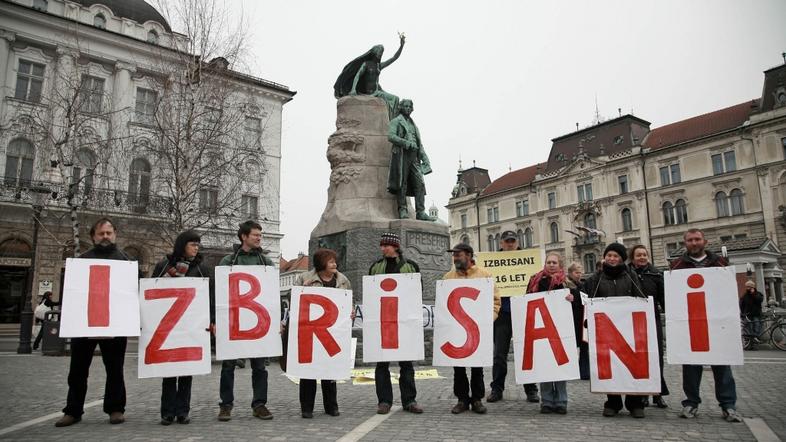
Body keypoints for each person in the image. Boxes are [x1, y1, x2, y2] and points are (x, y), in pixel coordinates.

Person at [56, 218, 134, 427]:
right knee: (78, 370)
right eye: (101, 233)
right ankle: (73, 410)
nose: (105, 237)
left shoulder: (125, 261)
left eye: (109, 233)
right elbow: (72, 293)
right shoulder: (81, 261)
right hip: (85, 323)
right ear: (93, 236)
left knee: (115, 369)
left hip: (114, 324)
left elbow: (130, 294)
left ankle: (115, 408)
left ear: (115, 234)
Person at [670, 228, 743, 422]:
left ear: (705, 241)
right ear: (685, 243)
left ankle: (728, 405)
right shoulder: (677, 266)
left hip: (716, 323)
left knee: (722, 366)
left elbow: (728, 294)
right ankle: (691, 403)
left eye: (697, 239)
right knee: (691, 367)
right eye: (690, 240)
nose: (694, 243)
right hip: (691, 323)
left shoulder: (720, 263)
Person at [151, 230, 213, 425]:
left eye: (198, 245)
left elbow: (210, 298)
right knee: (169, 371)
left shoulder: (203, 269)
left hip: (191, 327)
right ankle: (167, 412)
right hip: (168, 326)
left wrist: (211, 320)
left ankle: (183, 411)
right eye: (193, 244)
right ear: (182, 245)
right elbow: (150, 292)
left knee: (187, 370)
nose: (196, 248)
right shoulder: (163, 266)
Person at [216, 220, 275, 422]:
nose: (259, 238)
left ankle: (259, 404)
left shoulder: (266, 262)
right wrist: (217, 320)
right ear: (244, 237)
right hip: (234, 322)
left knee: (260, 367)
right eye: (255, 235)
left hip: (258, 323)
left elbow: (272, 294)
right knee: (228, 366)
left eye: (260, 235)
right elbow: (220, 293)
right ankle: (226, 405)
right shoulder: (229, 261)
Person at [584, 243, 647, 418]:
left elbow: (639, 298)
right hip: (606, 328)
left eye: (615, 256)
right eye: (609, 255)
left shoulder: (630, 275)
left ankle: (635, 403)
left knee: (632, 365)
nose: (612, 259)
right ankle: (613, 402)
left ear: (621, 258)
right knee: (610, 364)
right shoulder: (596, 278)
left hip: (628, 327)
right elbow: (587, 298)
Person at [368, 232, 424, 414]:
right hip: (383, 322)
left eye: (386, 245)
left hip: (404, 321)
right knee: (382, 364)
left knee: (406, 363)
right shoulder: (376, 267)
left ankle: (410, 400)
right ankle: (384, 401)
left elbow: (417, 292)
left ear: (395, 246)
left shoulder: (411, 267)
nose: (383, 248)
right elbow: (371, 294)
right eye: (382, 245)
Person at [293, 249, 351, 419]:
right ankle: (307, 407)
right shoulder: (305, 279)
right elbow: (294, 301)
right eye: (330, 261)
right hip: (310, 330)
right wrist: (300, 292)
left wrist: (350, 312)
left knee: (330, 369)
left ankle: (331, 406)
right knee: (308, 370)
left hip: (332, 331)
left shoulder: (342, 280)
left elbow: (348, 302)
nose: (334, 264)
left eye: (335, 261)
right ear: (321, 263)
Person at [443, 243, 501, 415]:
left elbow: (495, 301)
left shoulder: (485, 275)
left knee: (477, 367)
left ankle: (477, 399)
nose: (455, 258)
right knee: (458, 368)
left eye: (458, 254)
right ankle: (462, 400)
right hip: (456, 329)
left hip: (478, 330)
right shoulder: (448, 277)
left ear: (468, 255)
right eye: (454, 255)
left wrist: (487, 320)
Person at [487, 230, 539, 403]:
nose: (510, 244)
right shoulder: (492, 263)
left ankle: (531, 389)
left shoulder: (529, 261)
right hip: (502, 313)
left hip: (523, 312)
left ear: (517, 242)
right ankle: (497, 389)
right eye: (506, 241)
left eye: (512, 241)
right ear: (501, 243)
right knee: (499, 354)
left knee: (526, 353)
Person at [527, 253, 574, 414]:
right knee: (545, 365)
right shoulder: (535, 280)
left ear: (560, 264)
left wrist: (571, 299)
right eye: (549, 262)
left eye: (554, 262)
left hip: (561, 329)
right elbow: (528, 301)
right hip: (541, 328)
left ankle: (561, 401)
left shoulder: (568, 282)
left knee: (560, 365)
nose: (551, 265)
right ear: (545, 264)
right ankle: (546, 401)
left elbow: (579, 304)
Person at [628, 245, 669, 408]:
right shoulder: (627, 274)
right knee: (639, 358)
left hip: (652, 319)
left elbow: (664, 298)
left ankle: (658, 393)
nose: (642, 257)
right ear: (632, 257)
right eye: (638, 255)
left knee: (656, 358)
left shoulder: (656, 274)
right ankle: (642, 393)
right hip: (633, 321)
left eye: (644, 255)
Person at [333, 34, 405, 119]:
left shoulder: (379, 66)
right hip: (370, 92)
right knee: (392, 99)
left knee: (395, 99)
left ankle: (392, 122)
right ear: (374, 52)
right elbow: (357, 76)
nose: (380, 54)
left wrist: (401, 46)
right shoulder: (366, 64)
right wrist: (353, 89)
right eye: (379, 52)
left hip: (377, 91)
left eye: (382, 52)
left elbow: (394, 58)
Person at [387, 99, 435, 221]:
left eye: (410, 106)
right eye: (405, 106)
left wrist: (426, 160)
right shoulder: (396, 121)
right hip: (402, 154)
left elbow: (420, 145)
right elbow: (391, 136)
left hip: (414, 157)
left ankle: (420, 211)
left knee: (420, 183)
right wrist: (406, 143)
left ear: (412, 109)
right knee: (402, 182)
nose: (408, 108)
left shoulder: (415, 126)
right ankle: (402, 209)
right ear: (401, 107)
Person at [565, 263, 589, 380]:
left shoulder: (582, 285)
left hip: (582, 319)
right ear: (570, 273)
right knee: (571, 346)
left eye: (580, 272)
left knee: (585, 345)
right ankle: (570, 370)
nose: (579, 275)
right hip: (572, 319)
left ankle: (584, 371)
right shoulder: (566, 286)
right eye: (576, 272)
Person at [740, 280, 764, 350]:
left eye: (749, 287)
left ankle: (754, 344)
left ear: (753, 287)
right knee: (749, 331)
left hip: (756, 314)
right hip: (748, 315)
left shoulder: (758, 294)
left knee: (757, 328)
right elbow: (741, 304)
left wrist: (753, 294)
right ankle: (750, 345)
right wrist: (743, 313)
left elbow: (759, 300)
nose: (747, 288)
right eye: (747, 287)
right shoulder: (745, 295)